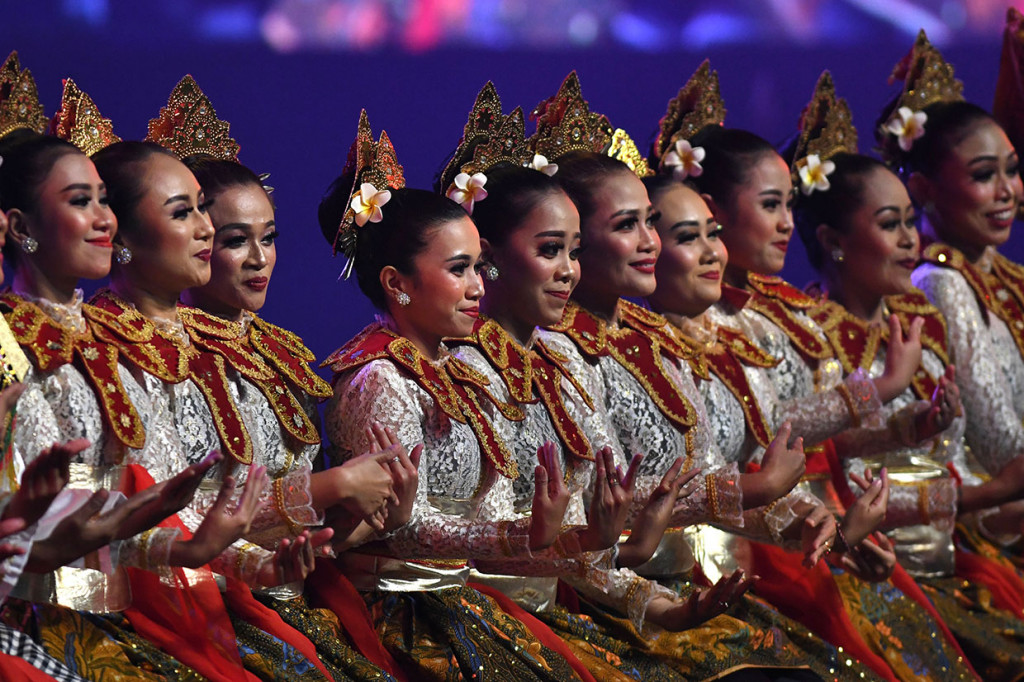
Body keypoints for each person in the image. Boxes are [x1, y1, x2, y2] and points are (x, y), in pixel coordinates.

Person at [532, 72, 868, 682]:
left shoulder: (653, 339)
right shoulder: (559, 355)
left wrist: (803, 520)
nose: (648, 243)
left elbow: (713, 468)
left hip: (681, 585)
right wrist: (755, 492)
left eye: (650, 224)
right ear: (576, 247)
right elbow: (598, 504)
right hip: (609, 605)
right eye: (627, 226)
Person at [669, 61, 975, 681]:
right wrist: (883, 389)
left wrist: (905, 428)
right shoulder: (682, 334)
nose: (787, 222)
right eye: (771, 205)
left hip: (795, 536)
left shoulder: (772, 321)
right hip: (734, 563)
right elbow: (776, 441)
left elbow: (809, 447)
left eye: (789, 205)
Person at [319, 110, 587, 682]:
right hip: (402, 615)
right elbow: (401, 527)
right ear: (398, 283)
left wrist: (564, 535)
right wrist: (523, 535)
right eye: (460, 269)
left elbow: (487, 507)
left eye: (479, 268)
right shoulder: (379, 381)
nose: (478, 287)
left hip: (462, 604)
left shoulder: (460, 373)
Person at [797, 71, 1024, 681]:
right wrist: (990, 494)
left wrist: (921, 424)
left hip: (951, 552)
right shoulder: (811, 336)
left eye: (907, 222)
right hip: (866, 566)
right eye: (891, 224)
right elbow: (829, 470)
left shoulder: (915, 321)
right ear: (834, 241)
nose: (909, 241)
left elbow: (948, 453)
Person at [881, 31, 1024, 547]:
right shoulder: (941, 282)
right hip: (987, 534)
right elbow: (1003, 447)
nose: (1006, 191)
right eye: (985, 175)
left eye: (1012, 170)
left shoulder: (1005, 277)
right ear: (922, 189)